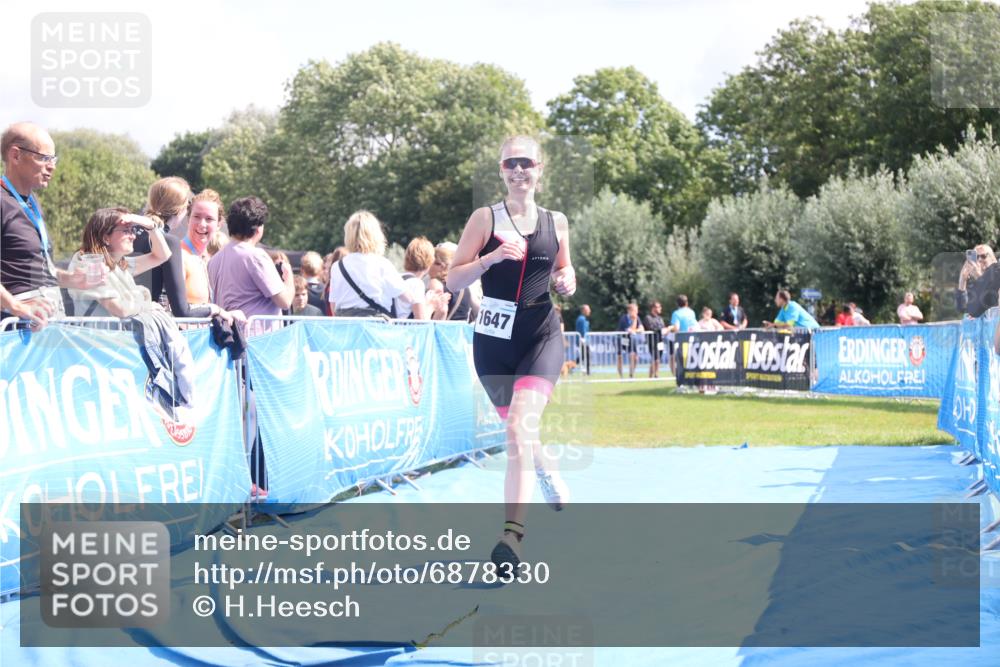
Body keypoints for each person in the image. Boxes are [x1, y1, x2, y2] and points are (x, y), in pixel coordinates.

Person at [445, 135, 576, 570]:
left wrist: (567, 280)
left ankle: (511, 539)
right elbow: (453, 281)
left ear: (540, 169)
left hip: (541, 335)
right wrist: (491, 258)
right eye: (509, 164)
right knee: (523, 434)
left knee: (519, 429)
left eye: (526, 163)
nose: (518, 170)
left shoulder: (556, 222)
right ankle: (546, 465)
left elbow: (564, 267)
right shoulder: (484, 218)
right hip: (494, 342)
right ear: (501, 171)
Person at [1, 122, 100, 320]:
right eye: (44, 158)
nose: (52, 166)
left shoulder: (32, 203)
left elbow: (36, 270)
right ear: (15, 155)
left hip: (46, 318)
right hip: (14, 328)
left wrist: (72, 280)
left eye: (54, 158)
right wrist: (16, 306)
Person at [133, 177, 220, 319]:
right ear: (181, 210)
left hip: (117, 326)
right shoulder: (169, 242)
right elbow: (182, 311)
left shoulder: (129, 233)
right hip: (146, 329)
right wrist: (214, 309)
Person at [208, 196, 295, 333]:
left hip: (229, 338)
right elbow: (284, 302)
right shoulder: (256, 256)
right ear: (258, 228)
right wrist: (288, 276)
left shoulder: (214, 260)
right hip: (258, 341)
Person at [327, 211, 417, 318]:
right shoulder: (381, 263)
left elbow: (333, 304)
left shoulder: (337, 266)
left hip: (346, 326)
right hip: (374, 325)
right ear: (376, 235)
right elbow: (407, 298)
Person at [179, 189, 242, 324]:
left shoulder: (204, 260)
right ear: (188, 219)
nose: (202, 224)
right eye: (197, 217)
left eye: (209, 219)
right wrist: (218, 311)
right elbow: (175, 310)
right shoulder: (179, 256)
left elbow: (204, 308)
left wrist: (227, 314)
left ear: (219, 224)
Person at [397, 236, 448, 320]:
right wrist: (431, 306)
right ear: (429, 261)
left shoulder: (397, 278)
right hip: (405, 331)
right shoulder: (416, 284)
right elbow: (421, 321)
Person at [667, 295, 697, 374]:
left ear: (677, 304)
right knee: (690, 359)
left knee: (680, 360)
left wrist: (669, 328)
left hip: (681, 339)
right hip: (692, 338)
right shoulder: (691, 312)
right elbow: (695, 326)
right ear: (686, 303)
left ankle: (679, 378)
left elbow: (676, 327)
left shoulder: (676, 313)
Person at [617, 302, 644, 379]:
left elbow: (642, 328)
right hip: (622, 339)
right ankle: (621, 376)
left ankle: (631, 374)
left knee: (635, 357)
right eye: (635, 310)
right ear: (629, 311)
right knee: (620, 357)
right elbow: (631, 329)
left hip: (631, 339)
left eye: (637, 310)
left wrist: (636, 327)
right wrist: (635, 321)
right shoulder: (624, 319)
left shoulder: (637, 317)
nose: (636, 312)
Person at [643, 300, 668, 378]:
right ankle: (656, 375)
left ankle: (651, 376)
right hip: (652, 341)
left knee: (657, 359)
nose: (660, 308)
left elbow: (663, 327)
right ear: (653, 308)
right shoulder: (648, 318)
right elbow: (651, 327)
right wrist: (661, 330)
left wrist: (666, 329)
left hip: (660, 340)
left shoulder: (660, 318)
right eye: (658, 307)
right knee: (656, 358)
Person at [575, 304, 591, 375]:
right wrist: (583, 339)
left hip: (584, 340)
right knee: (586, 356)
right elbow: (583, 331)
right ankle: (588, 372)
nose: (589, 311)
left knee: (583, 356)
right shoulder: (581, 319)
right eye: (588, 309)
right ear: (583, 310)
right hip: (583, 341)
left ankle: (570, 366)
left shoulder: (582, 318)